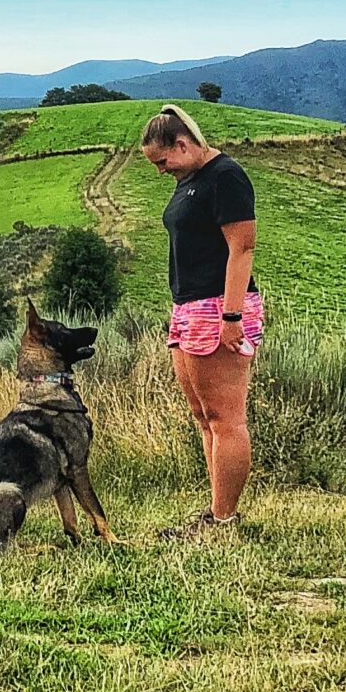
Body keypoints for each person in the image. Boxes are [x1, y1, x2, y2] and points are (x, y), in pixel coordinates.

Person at [140, 103, 259, 533]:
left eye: (162, 161)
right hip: (189, 307)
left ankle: (225, 519)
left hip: (218, 306)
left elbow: (242, 248)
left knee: (226, 419)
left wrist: (232, 314)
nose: (161, 170)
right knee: (203, 416)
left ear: (183, 144)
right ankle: (214, 512)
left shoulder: (226, 177)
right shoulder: (190, 178)